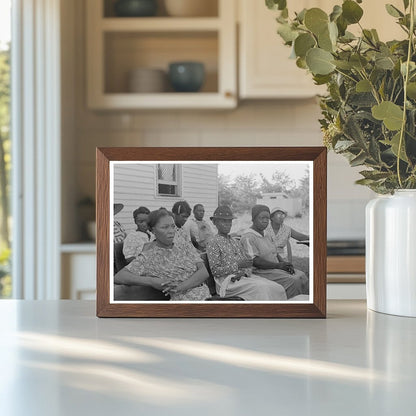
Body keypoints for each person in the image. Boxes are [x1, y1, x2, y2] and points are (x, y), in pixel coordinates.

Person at [114, 208, 210, 301]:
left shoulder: (184, 245)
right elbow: (119, 276)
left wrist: (181, 287)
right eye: (165, 227)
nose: (171, 231)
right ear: (152, 230)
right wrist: (151, 281)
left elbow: (203, 272)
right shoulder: (149, 257)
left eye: (173, 226)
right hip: (184, 302)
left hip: (206, 296)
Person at [206, 206, 287, 300]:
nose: (227, 224)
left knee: (276, 288)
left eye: (229, 221)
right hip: (227, 283)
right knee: (263, 289)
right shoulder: (213, 242)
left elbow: (247, 263)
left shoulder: (234, 241)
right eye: (223, 221)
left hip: (243, 278)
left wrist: (245, 271)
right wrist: (237, 265)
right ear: (214, 222)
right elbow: (215, 270)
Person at [240, 204, 309, 299]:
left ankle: (304, 303)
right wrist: (278, 266)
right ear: (254, 218)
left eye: (267, 218)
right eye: (262, 218)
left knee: (302, 276)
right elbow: (254, 261)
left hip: (274, 268)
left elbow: (275, 253)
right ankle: (290, 306)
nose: (265, 221)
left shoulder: (266, 234)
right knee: (294, 280)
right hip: (260, 271)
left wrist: (284, 263)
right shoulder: (249, 237)